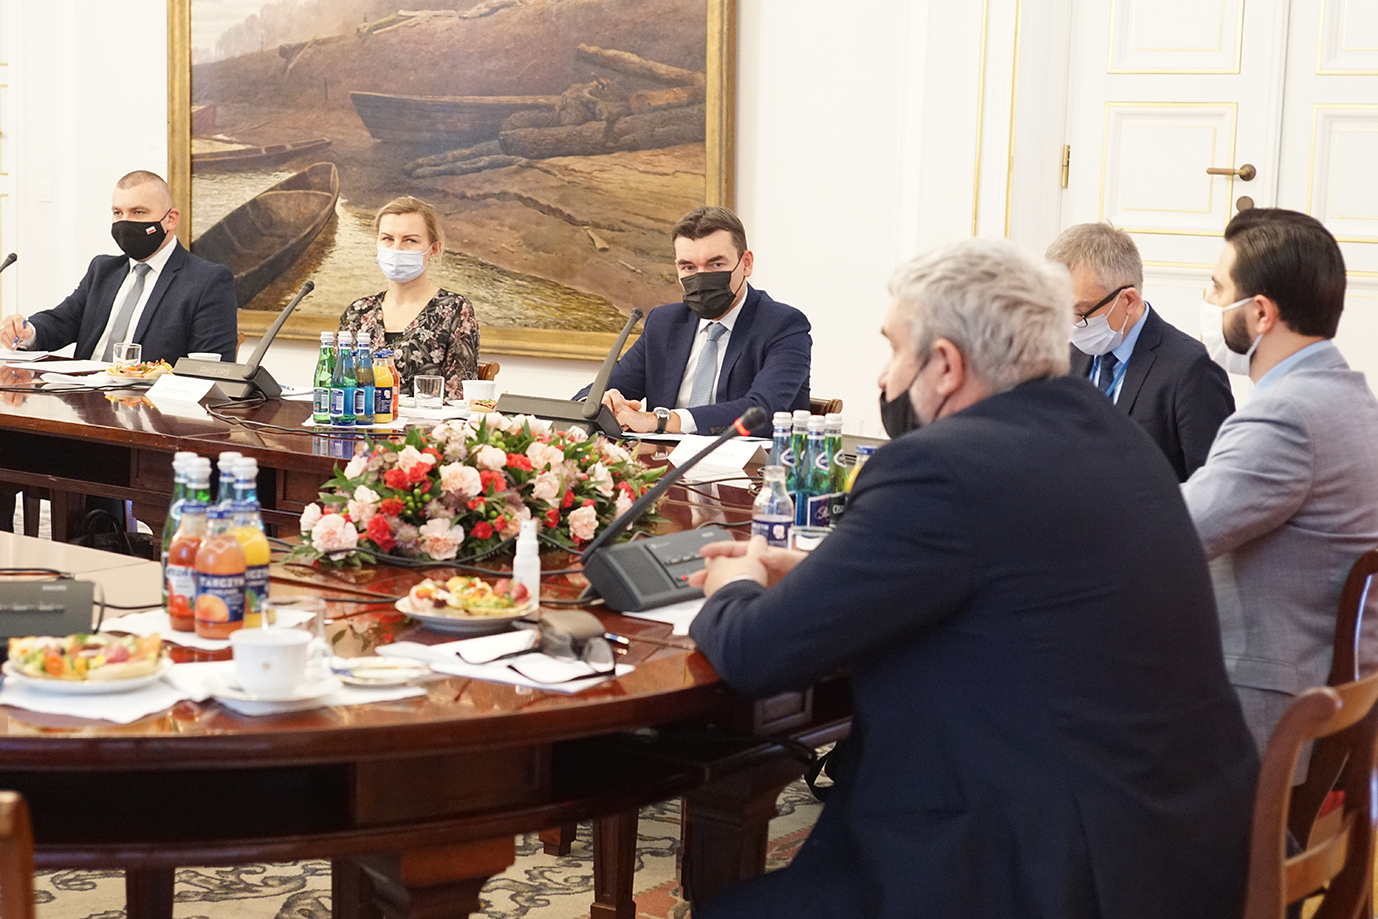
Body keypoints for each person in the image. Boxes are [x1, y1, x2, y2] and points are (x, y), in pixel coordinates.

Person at [689, 239, 1258, 919]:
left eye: (894, 350)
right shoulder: (1114, 434)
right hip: (1182, 852)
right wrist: (826, 574)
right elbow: (1002, 579)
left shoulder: (939, 466)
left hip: (1046, 875)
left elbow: (757, 652)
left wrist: (735, 581)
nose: (885, 377)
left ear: (946, 365)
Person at [1182, 208, 1378, 755]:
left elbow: (1171, 534)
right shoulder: (1354, 400)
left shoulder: (1286, 417)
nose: (1208, 301)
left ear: (1261, 312)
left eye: (1218, 288)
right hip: (1333, 709)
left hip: (1269, 722)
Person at [574, 206, 810, 435]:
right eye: (688, 267)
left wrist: (660, 420)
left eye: (716, 264)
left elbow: (763, 411)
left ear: (746, 263)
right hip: (663, 459)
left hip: (753, 461)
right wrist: (598, 404)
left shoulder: (783, 325)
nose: (701, 278)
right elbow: (603, 390)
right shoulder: (664, 323)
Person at [1046, 222, 1234, 481]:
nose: (1071, 324)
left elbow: (1215, 484)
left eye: (1081, 312)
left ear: (1129, 301)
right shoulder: (1066, 358)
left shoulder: (1192, 368)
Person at [0, 170, 237, 363]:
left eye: (138, 212)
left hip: (149, 404)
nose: (125, 222)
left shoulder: (206, 281)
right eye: (117, 212)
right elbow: (62, 321)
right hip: (81, 397)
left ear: (170, 219)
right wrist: (27, 332)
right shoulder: (103, 270)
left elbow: (209, 369)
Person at [338, 196, 479, 400]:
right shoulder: (358, 312)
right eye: (388, 239)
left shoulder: (455, 310)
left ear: (433, 249)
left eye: (410, 240)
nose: (396, 249)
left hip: (425, 421)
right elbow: (336, 385)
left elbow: (459, 398)